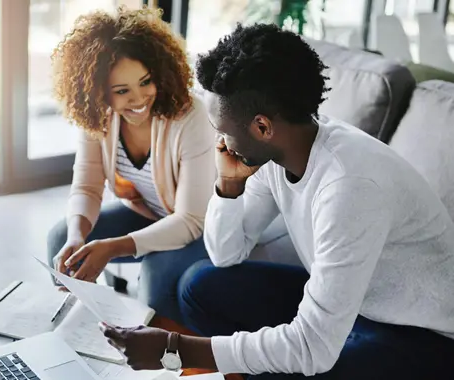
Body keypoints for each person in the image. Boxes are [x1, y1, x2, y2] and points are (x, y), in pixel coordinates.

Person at [101, 24, 454, 379]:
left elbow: (314, 348)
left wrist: (173, 348)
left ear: (262, 127)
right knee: (201, 286)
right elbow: (226, 254)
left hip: (422, 336)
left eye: (222, 129)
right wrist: (227, 185)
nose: (219, 141)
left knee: (302, 362)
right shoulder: (279, 150)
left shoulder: (349, 185)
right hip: (356, 307)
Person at [46, 6, 215, 323]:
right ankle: (78, 331)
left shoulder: (191, 116)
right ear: (98, 93)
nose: (139, 99)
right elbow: (87, 187)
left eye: (146, 82)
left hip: (203, 229)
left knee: (155, 273)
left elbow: (191, 220)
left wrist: (112, 248)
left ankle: (154, 363)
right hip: (152, 215)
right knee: (61, 239)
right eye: (122, 91)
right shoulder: (98, 117)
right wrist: (76, 238)